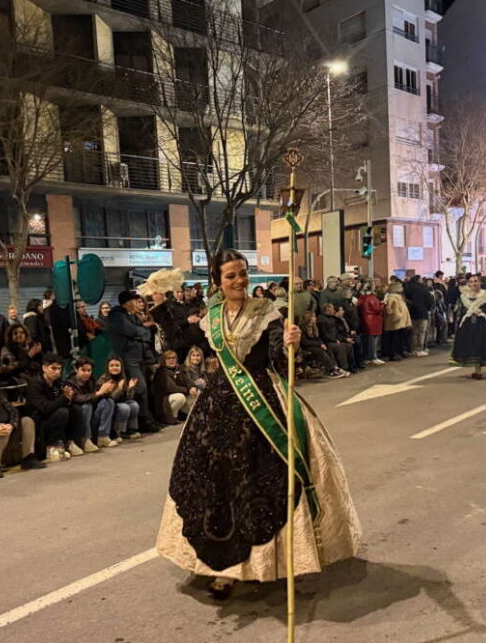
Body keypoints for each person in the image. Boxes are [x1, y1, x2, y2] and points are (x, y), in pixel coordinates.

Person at [155, 250, 362, 600]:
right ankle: (222, 568)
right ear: (218, 282)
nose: (239, 281)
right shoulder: (213, 316)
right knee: (215, 486)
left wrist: (291, 345)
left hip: (260, 402)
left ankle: (257, 563)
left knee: (255, 487)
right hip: (217, 408)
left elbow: (277, 362)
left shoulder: (267, 312)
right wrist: (159, 307)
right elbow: (178, 342)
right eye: (231, 276)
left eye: (242, 274)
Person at [107, 290, 162, 433]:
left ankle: (146, 420)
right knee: (140, 387)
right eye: (134, 300)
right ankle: (143, 422)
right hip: (128, 357)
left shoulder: (133, 316)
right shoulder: (116, 315)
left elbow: (146, 333)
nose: (138, 303)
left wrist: (141, 332)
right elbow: (132, 331)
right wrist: (142, 331)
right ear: (127, 302)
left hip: (141, 357)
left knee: (145, 389)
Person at [24, 353, 75, 462]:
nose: (57, 372)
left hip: (52, 417)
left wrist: (69, 397)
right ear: (44, 368)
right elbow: (45, 408)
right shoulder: (35, 384)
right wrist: (64, 397)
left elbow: (60, 402)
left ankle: (71, 443)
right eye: (53, 368)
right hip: (38, 421)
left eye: (59, 369)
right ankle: (52, 449)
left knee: (73, 409)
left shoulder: (58, 383)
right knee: (62, 412)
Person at [64, 356, 116, 454]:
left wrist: (107, 391)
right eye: (83, 370)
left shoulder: (91, 380)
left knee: (108, 401)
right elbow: (77, 399)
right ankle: (84, 440)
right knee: (86, 406)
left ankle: (103, 436)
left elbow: (97, 396)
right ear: (76, 369)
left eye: (89, 370)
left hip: (92, 415)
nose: (86, 373)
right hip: (78, 417)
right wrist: (99, 393)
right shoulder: (69, 382)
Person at [451, 274, 486, 380]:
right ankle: (476, 368)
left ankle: (478, 369)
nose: (473, 284)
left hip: (482, 323)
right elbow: (460, 310)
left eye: (476, 281)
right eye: (471, 282)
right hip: (468, 323)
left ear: (480, 282)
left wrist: (483, 312)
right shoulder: (463, 296)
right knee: (470, 345)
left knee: (481, 345)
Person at [97, 356, 140, 443]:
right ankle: (115, 432)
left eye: (117, 365)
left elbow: (128, 398)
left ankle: (128, 430)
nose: (114, 368)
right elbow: (110, 399)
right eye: (112, 365)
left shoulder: (123, 377)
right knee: (124, 407)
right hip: (109, 404)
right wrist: (119, 389)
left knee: (134, 404)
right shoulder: (104, 379)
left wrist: (130, 389)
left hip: (120, 402)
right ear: (108, 367)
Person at [153, 350, 196, 424]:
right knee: (180, 397)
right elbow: (171, 388)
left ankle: (190, 415)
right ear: (164, 360)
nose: (171, 360)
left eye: (173, 358)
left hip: (180, 393)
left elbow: (188, 380)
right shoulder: (161, 372)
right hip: (164, 400)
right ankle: (173, 417)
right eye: (168, 358)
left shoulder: (179, 369)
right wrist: (187, 390)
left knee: (196, 393)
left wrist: (192, 387)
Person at [298, 313, 346, 378]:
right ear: (309, 318)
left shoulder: (314, 326)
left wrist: (322, 344)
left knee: (328, 349)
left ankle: (334, 368)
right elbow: (304, 341)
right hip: (307, 346)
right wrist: (319, 344)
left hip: (315, 345)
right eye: (314, 316)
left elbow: (318, 338)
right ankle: (331, 369)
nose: (315, 318)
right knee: (320, 352)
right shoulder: (302, 327)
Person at [318, 303, 359, 372]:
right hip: (328, 341)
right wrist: (334, 340)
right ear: (328, 309)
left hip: (336, 339)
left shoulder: (334, 319)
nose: (334, 310)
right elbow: (323, 334)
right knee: (340, 347)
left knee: (349, 346)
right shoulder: (321, 320)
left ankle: (352, 367)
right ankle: (344, 368)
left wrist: (343, 339)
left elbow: (338, 332)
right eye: (332, 308)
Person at [403, 275, 433, 357]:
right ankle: (420, 349)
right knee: (421, 332)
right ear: (419, 280)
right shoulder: (423, 289)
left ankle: (413, 349)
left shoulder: (408, 289)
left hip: (412, 312)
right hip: (422, 312)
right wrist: (428, 308)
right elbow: (429, 301)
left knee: (413, 332)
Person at [382, 281, 412, 361]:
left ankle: (399, 352)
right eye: (401, 287)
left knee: (399, 338)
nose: (402, 288)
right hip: (395, 322)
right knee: (395, 339)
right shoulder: (392, 297)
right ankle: (394, 354)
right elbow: (390, 309)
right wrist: (397, 316)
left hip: (400, 321)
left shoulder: (398, 297)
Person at [357, 283, 386, 365]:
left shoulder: (361, 298)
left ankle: (367, 357)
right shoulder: (372, 298)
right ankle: (373, 356)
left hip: (365, 319)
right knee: (373, 340)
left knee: (367, 340)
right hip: (373, 320)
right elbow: (377, 309)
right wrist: (383, 304)